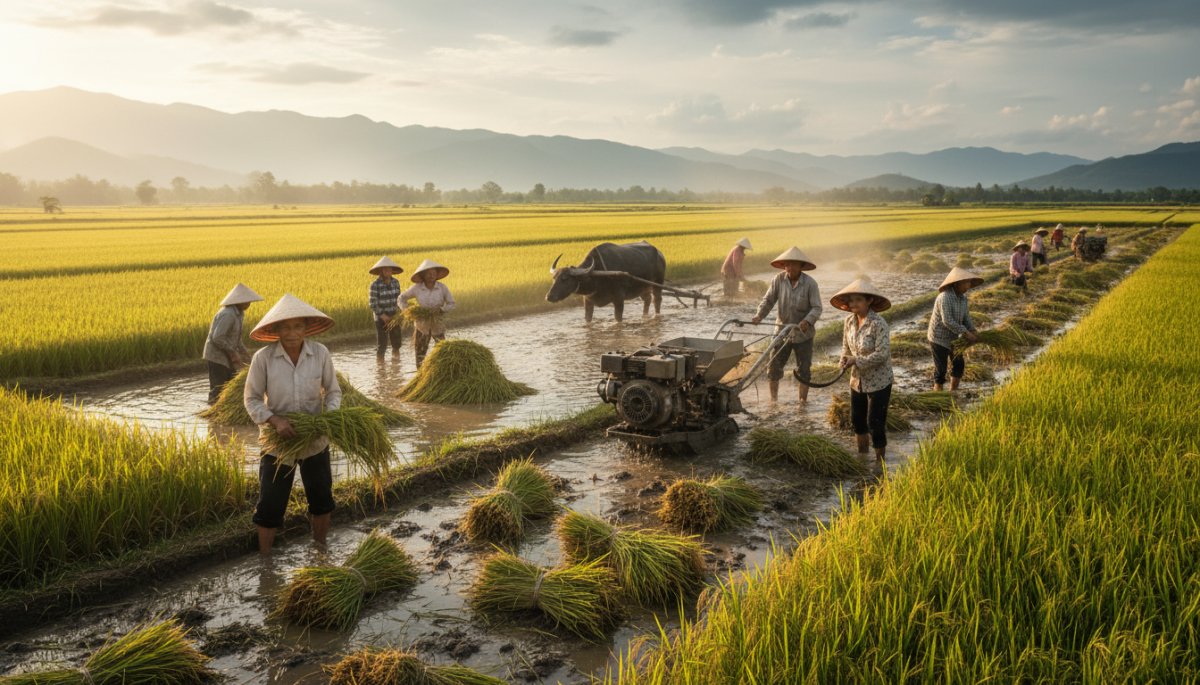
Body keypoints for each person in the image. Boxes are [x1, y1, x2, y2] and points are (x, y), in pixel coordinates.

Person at [244, 294, 341, 554]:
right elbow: (251, 399)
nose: (291, 333)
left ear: (306, 328)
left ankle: (321, 552)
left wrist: (327, 420)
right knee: (270, 507)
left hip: (314, 440)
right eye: (285, 327)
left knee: (321, 501)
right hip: (277, 444)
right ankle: (265, 562)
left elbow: (333, 392)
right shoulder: (263, 359)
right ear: (275, 330)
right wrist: (275, 420)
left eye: (297, 326)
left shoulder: (320, 353)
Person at [831, 277, 893, 464]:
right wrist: (843, 359)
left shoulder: (878, 323)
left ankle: (879, 465)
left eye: (858, 299)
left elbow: (882, 354)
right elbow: (845, 347)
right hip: (857, 380)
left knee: (875, 423)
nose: (852, 304)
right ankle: (862, 461)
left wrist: (855, 360)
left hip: (879, 380)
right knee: (857, 422)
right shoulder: (849, 321)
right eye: (851, 300)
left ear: (869, 301)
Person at [751, 246, 822, 404]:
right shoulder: (778, 280)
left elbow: (817, 307)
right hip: (782, 332)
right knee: (773, 367)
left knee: (804, 370)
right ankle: (773, 402)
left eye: (794, 264)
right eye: (787, 264)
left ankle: (802, 403)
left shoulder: (810, 284)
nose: (790, 268)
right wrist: (759, 316)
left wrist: (807, 321)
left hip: (803, 334)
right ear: (784, 266)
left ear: (801, 266)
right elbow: (768, 300)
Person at [203, 283, 263, 403]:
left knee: (230, 384)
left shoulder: (239, 313)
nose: (249, 304)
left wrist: (245, 353)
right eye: (246, 301)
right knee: (218, 387)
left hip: (227, 354)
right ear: (238, 301)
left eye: (249, 302)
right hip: (217, 356)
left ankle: (224, 406)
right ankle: (213, 408)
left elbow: (236, 338)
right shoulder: (228, 314)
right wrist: (233, 353)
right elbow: (218, 337)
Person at [927, 267, 982, 392]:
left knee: (959, 364)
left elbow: (966, 317)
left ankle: (953, 392)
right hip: (938, 337)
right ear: (957, 283)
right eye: (966, 282)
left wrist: (973, 330)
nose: (968, 285)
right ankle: (938, 395)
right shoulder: (944, 297)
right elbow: (948, 321)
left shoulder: (963, 299)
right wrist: (966, 333)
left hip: (953, 337)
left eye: (969, 282)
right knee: (941, 369)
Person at [401, 259, 455, 366]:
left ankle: (439, 375)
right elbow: (401, 298)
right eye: (428, 273)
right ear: (423, 275)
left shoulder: (442, 288)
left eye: (434, 273)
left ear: (437, 274)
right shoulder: (417, 288)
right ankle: (420, 377)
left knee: (443, 353)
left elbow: (451, 303)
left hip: (437, 325)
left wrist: (441, 310)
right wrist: (407, 310)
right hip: (422, 326)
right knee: (420, 356)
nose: (431, 275)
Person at [368, 256, 404, 357]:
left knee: (397, 344)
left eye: (390, 269)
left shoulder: (395, 282)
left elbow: (399, 299)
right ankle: (380, 366)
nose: (388, 271)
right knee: (382, 345)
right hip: (380, 318)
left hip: (394, 317)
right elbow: (373, 303)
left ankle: (396, 364)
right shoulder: (375, 285)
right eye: (385, 269)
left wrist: (399, 313)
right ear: (381, 271)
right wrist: (383, 316)